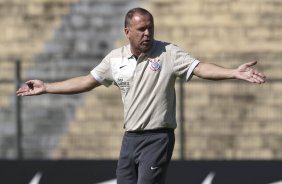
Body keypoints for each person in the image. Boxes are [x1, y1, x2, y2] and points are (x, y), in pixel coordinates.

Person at [17, 7, 266, 184]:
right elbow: (86, 81)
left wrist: (233, 72)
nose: (147, 33)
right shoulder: (115, 59)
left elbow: (200, 68)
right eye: (141, 29)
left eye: (150, 28)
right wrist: (47, 87)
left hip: (158, 138)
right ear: (128, 31)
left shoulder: (168, 53)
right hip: (130, 139)